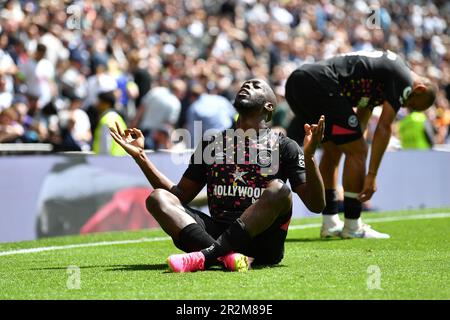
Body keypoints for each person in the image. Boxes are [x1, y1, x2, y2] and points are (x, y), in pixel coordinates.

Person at [109, 79, 326, 272]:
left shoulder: (285, 147)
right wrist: (141, 157)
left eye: (255, 86)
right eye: (244, 85)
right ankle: (226, 257)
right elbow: (180, 195)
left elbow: (316, 204)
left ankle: (208, 256)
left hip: (262, 242)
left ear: (268, 106)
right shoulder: (212, 143)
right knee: (158, 198)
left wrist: (310, 156)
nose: (246, 86)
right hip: (214, 232)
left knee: (279, 189)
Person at [285, 50, 437, 239]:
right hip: (320, 83)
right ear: (420, 88)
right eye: (411, 104)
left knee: (333, 151)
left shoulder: (383, 76)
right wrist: (371, 175)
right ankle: (353, 225)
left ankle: (330, 223)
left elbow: (363, 115)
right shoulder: (403, 79)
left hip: (298, 83)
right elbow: (384, 127)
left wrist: (355, 144)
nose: (405, 108)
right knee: (358, 151)